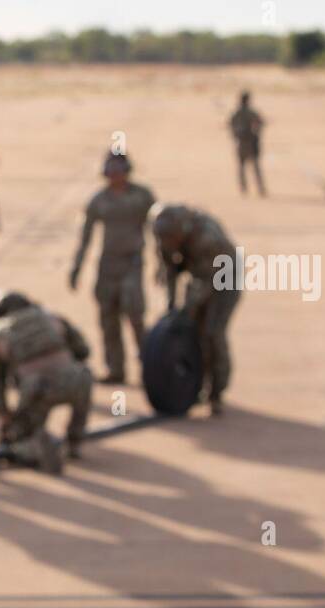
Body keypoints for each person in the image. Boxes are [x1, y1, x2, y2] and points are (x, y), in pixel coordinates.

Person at [69, 149, 155, 385]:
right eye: (111, 173)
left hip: (132, 263)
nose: (115, 177)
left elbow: (157, 230)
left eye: (119, 172)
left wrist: (163, 265)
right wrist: (77, 267)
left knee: (135, 315)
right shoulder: (99, 201)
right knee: (108, 319)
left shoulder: (142, 197)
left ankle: (150, 365)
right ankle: (115, 369)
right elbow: (86, 237)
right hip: (108, 265)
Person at [0, 291, 92, 475]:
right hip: (77, 380)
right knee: (81, 386)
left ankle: (33, 447)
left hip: (38, 388)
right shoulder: (52, 318)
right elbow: (83, 350)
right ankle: (74, 442)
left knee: (20, 437)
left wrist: (4, 413)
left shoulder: (1, 333)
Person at [151, 203, 241, 416]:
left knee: (212, 333)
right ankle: (194, 386)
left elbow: (204, 283)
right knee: (192, 332)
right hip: (200, 274)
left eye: (172, 239)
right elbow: (170, 271)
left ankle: (216, 392)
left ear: (181, 233)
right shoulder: (164, 232)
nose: (168, 243)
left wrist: (185, 311)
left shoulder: (207, 239)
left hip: (224, 279)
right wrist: (172, 307)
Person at [229, 91, 267, 196]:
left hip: (244, 143)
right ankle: (258, 188)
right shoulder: (249, 113)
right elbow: (260, 123)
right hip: (249, 143)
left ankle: (245, 188)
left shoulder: (237, 113)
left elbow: (232, 126)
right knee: (253, 167)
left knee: (244, 168)